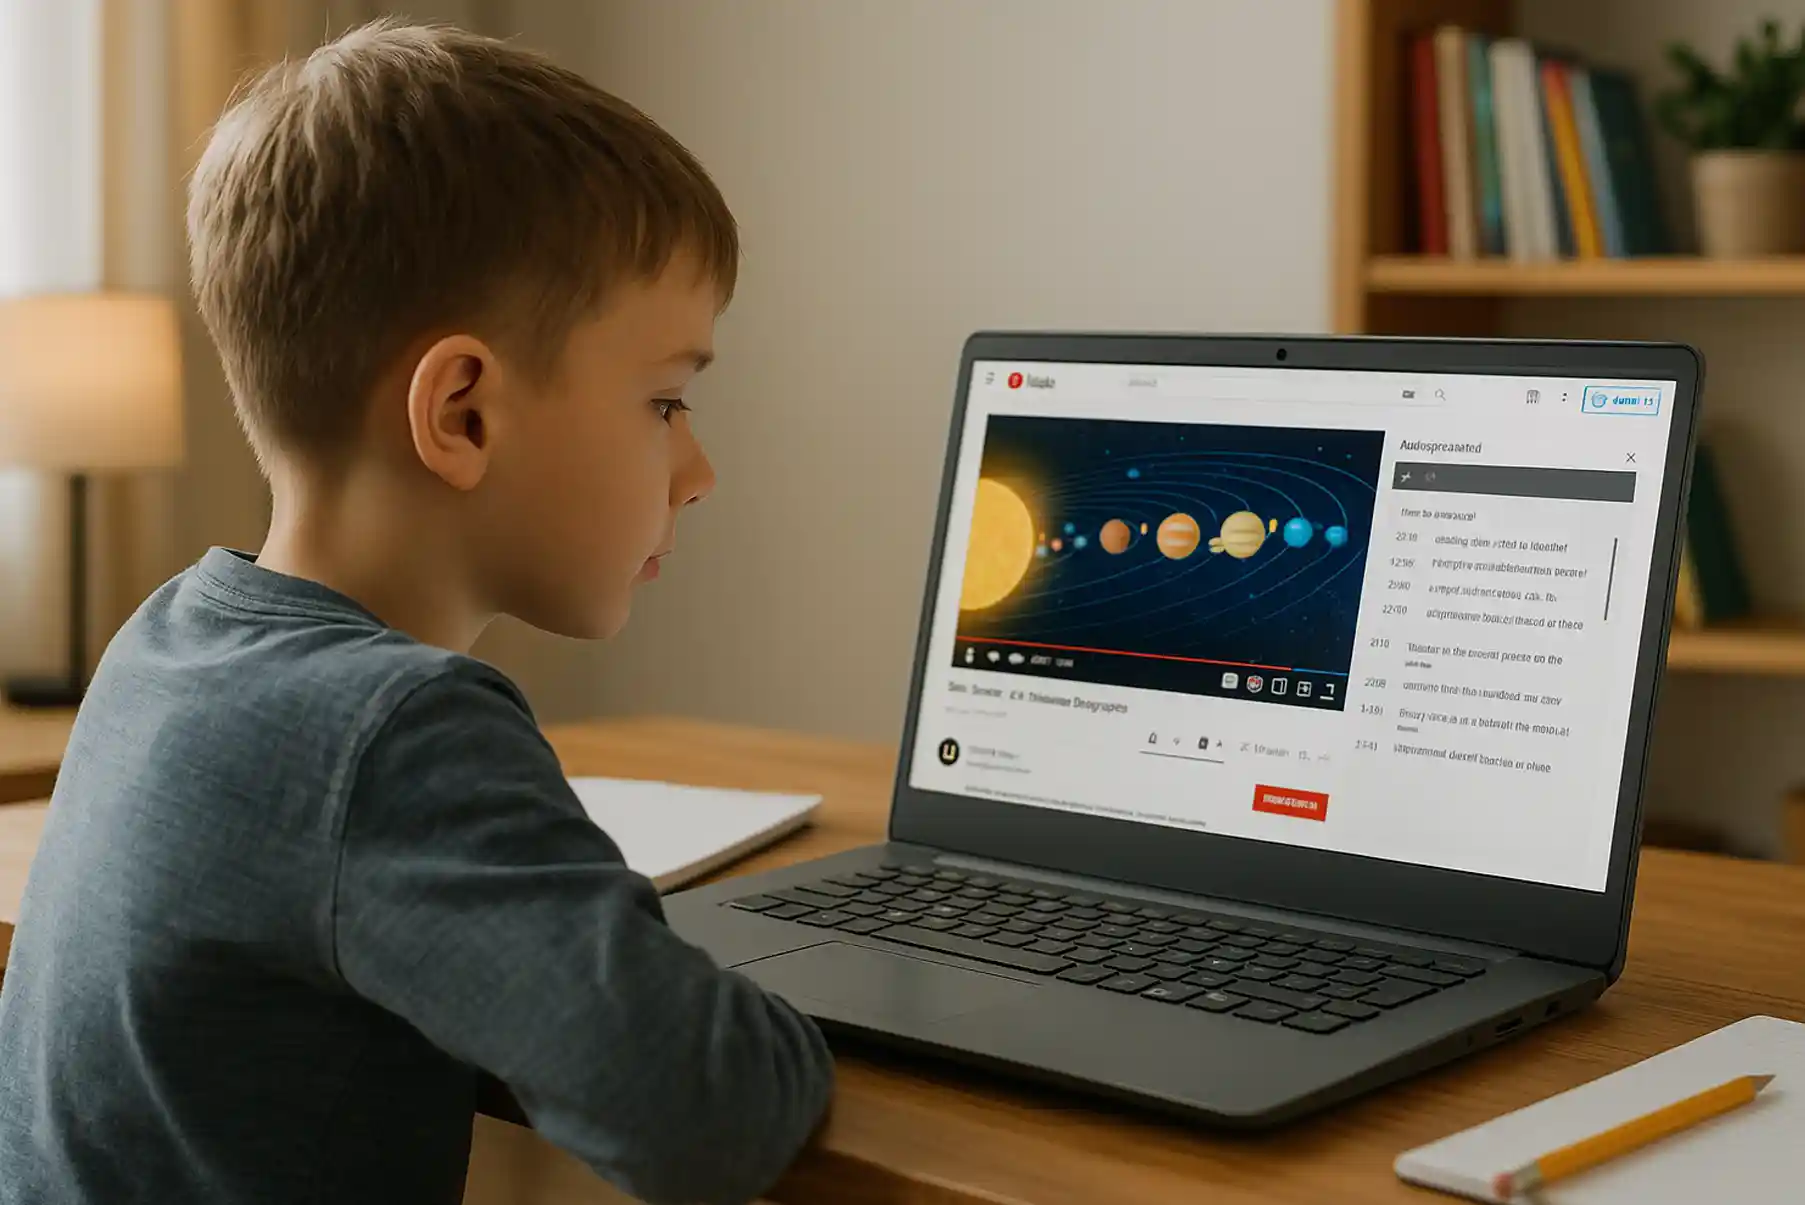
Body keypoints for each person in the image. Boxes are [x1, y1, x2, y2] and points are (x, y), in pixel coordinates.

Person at [0, 19, 833, 1205]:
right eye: (664, 401)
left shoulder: (170, 633)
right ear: (462, 414)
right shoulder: (396, 728)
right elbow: (700, 1110)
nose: (696, 469)